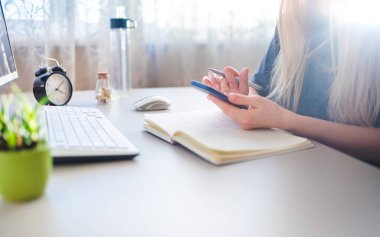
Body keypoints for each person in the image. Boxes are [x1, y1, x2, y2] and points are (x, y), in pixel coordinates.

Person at [202, 0, 380, 165]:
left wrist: (288, 121)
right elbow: (259, 91)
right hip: (288, 166)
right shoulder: (290, 27)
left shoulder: (371, 32)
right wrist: (244, 100)